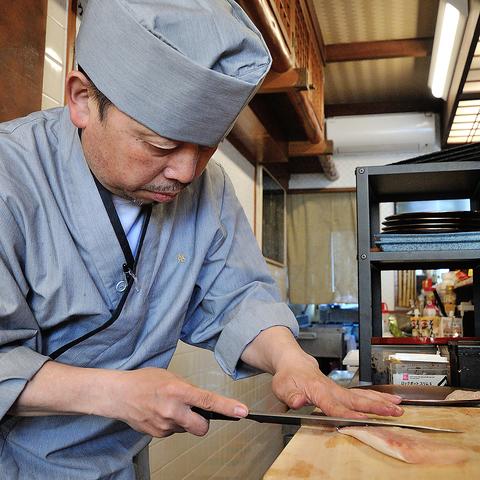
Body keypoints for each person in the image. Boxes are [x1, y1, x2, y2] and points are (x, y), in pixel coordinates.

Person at [0, 0, 403, 478]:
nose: (185, 172)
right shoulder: (11, 178)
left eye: (207, 146)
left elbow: (238, 299)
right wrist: (116, 393)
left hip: (116, 465)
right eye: (160, 145)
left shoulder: (206, 190)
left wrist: (291, 360)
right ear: (82, 99)